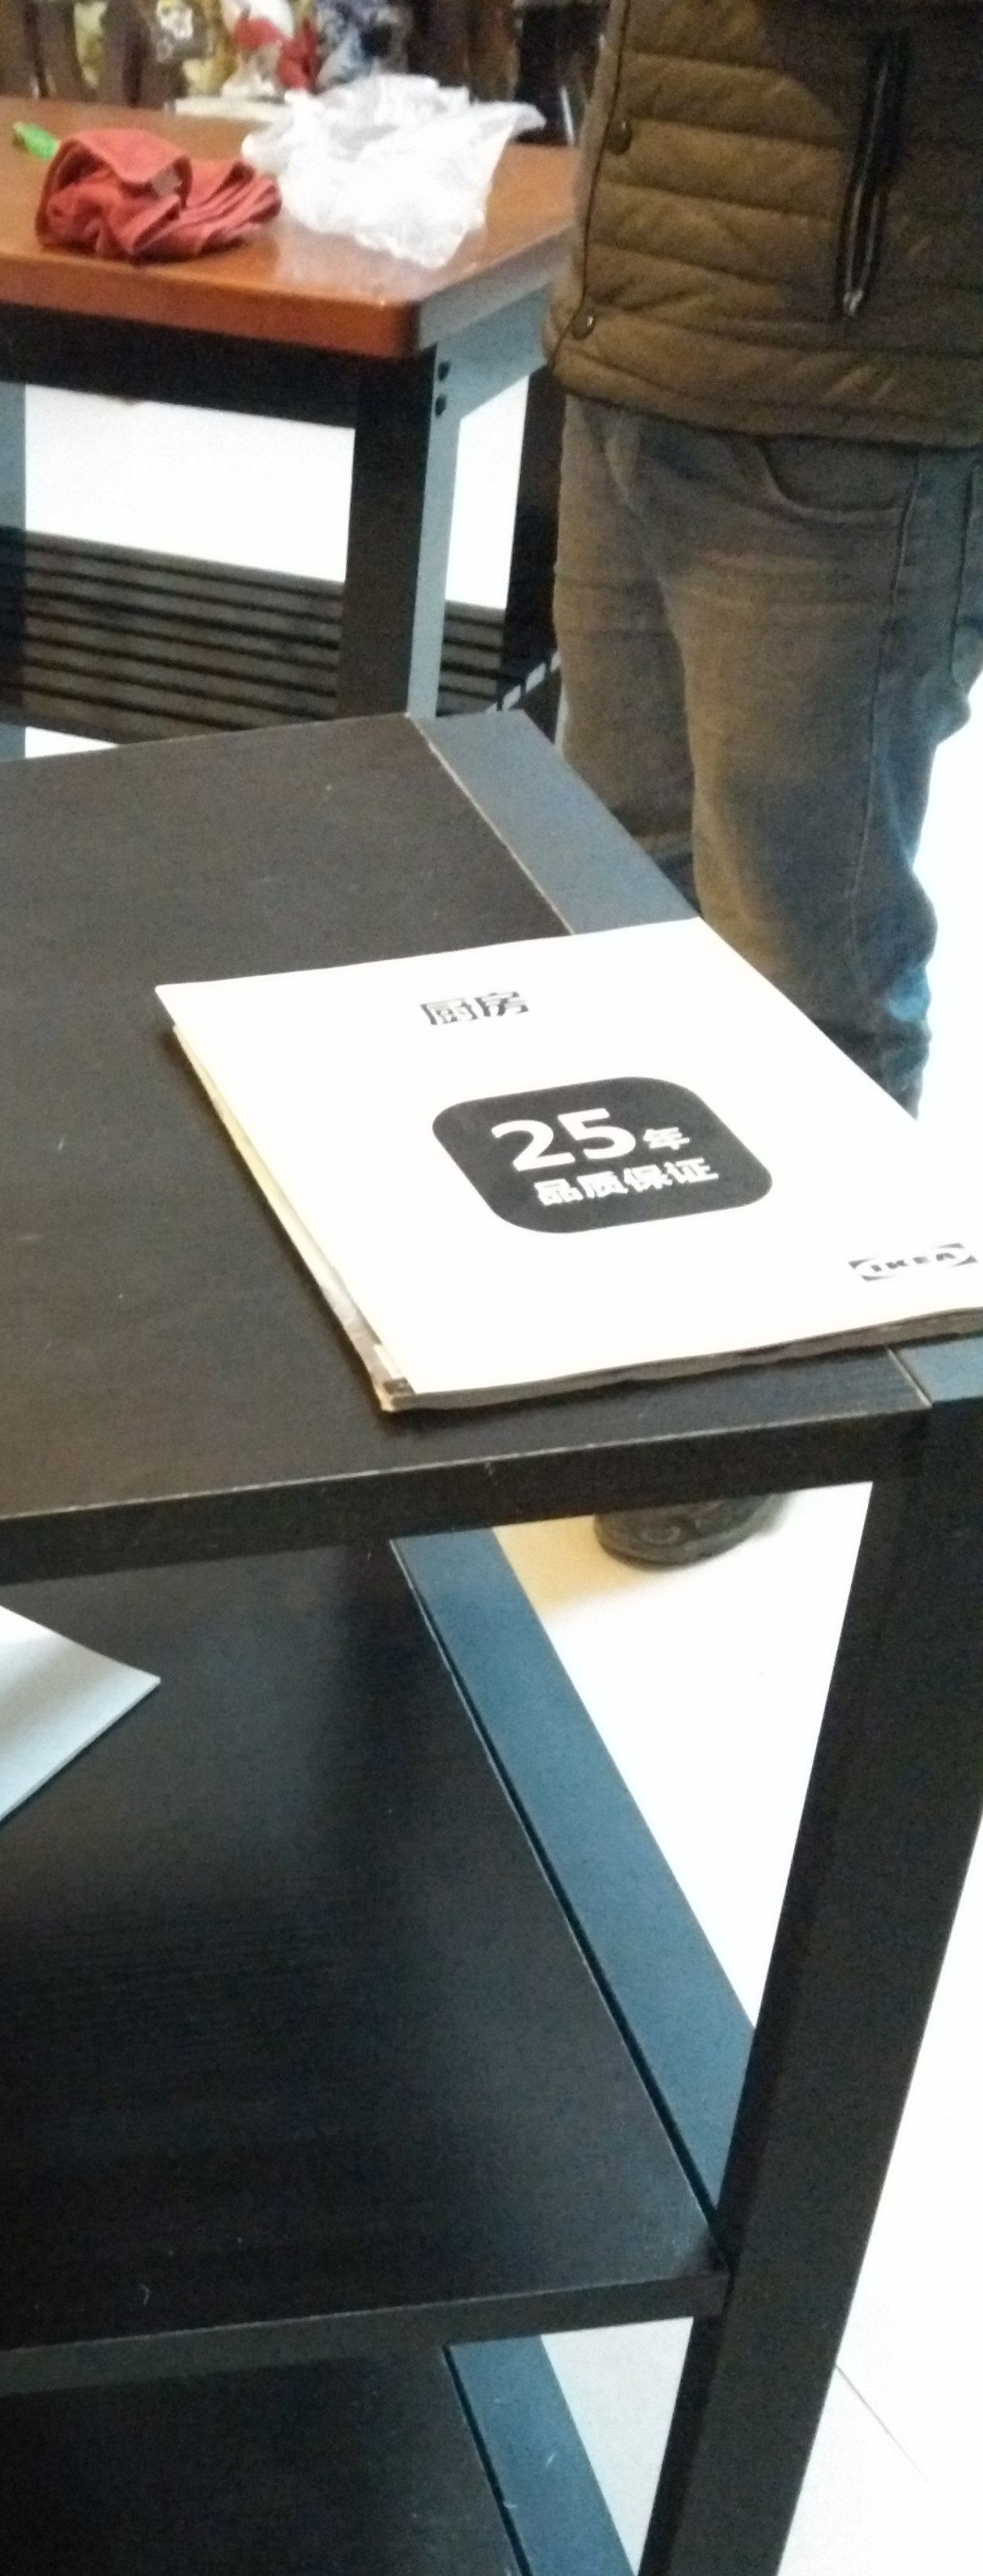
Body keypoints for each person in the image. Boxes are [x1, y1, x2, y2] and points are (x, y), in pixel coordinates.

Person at [545, 0, 983, 1566]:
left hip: (850, 371)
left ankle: (776, 1395)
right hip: (646, 325)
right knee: (616, 899)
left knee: (808, 943)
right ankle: (633, 1324)